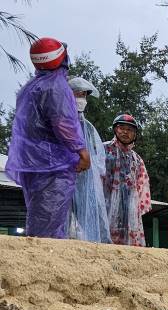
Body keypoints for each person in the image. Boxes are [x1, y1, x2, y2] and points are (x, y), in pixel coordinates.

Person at [4, 37, 91, 239]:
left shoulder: (29, 88)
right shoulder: (56, 87)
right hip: (54, 165)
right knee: (49, 222)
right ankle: (46, 263)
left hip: (34, 164)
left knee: (39, 215)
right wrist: (82, 152)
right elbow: (63, 123)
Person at [67, 77, 110, 243]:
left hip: (86, 180)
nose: (81, 99)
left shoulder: (88, 127)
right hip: (63, 177)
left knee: (95, 218)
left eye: (84, 95)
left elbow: (99, 158)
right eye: (78, 93)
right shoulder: (59, 121)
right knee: (62, 220)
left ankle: (103, 252)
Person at [104, 113, 151, 246]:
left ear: (135, 134)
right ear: (115, 129)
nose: (125, 132)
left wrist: (135, 208)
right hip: (105, 204)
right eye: (121, 128)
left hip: (129, 208)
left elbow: (143, 186)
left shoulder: (136, 159)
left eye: (130, 130)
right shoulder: (103, 149)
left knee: (127, 243)